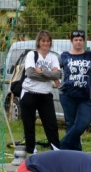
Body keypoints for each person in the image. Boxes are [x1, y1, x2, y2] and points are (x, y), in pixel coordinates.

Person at [18, 30, 61, 158]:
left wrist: (41, 71)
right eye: (43, 41)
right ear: (38, 42)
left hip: (45, 94)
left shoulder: (53, 57)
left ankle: (56, 149)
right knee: (29, 123)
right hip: (29, 93)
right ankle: (32, 151)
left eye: (48, 41)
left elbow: (57, 75)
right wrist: (48, 75)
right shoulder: (32, 55)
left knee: (51, 124)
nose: (45, 43)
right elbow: (30, 73)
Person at [58, 30, 91, 151]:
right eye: (76, 40)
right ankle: (75, 152)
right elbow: (55, 70)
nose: (78, 42)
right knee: (70, 124)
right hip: (67, 95)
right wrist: (58, 84)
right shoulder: (64, 56)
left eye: (80, 40)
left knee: (83, 123)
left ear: (84, 41)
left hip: (86, 96)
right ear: (72, 41)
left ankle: (61, 145)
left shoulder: (90, 56)